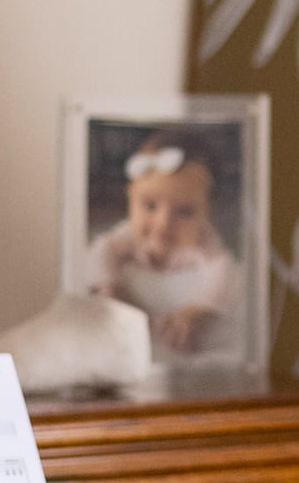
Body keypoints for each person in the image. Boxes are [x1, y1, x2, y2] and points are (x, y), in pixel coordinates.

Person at [85, 137, 241, 355]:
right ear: (129, 197)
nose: (163, 222)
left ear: (208, 211)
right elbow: (101, 250)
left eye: (185, 212)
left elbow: (221, 268)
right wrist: (111, 286)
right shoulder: (127, 234)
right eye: (150, 206)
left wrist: (197, 311)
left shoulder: (205, 240)